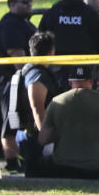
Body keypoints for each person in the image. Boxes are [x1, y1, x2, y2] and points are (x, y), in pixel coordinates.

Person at [37, 64, 99, 179]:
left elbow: (43, 139)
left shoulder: (56, 102)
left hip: (62, 167)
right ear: (91, 81)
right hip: (97, 168)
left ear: (70, 82)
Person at [0, 0, 37, 172]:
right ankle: (12, 163)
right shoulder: (10, 24)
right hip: (9, 80)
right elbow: (16, 56)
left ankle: (22, 158)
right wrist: (31, 76)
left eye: (30, 1)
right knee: (10, 121)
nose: (29, 4)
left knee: (21, 120)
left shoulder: (24, 23)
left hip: (20, 80)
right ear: (12, 4)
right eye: (24, 2)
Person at [38, 0, 99, 92]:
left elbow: (40, 41)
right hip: (84, 71)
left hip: (56, 69)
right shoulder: (91, 14)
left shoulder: (53, 11)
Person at [12, 30, 63, 175]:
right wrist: (45, 136)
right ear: (52, 52)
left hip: (33, 135)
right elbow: (37, 108)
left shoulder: (32, 70)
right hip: (35, 138)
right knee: (38, 177)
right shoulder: (37, 75)